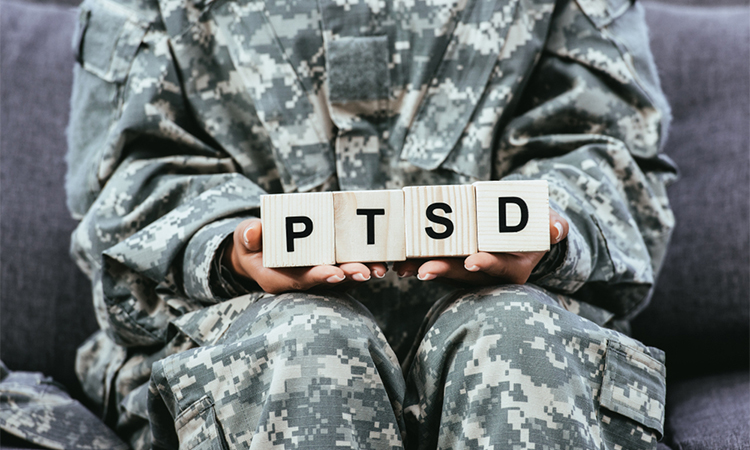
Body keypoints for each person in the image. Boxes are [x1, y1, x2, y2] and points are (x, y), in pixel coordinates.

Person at [66, 0, 677, 448]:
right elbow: (126, 176)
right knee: (307, 345)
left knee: (514, 335)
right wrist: (229, 249)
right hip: (242, 343)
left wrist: (541, 232)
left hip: (518, 330)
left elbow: (608, 153)